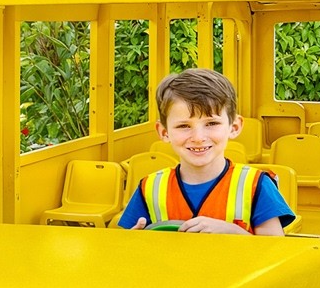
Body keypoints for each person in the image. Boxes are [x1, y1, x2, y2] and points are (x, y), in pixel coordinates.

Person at [116, 68, 294, 235]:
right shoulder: (150, 187)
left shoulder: (257, 185)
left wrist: (233, 231)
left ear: (234, 127)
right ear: (164, 132)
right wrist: (133, 241)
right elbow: (123, 248)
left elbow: (274, 251)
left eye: (211, 123)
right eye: (184, 126)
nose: (198, 137)